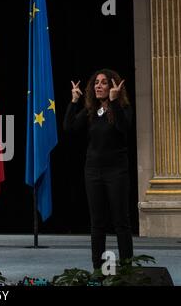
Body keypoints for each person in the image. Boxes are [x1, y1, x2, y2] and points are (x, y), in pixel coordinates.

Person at [63, 69, 133, 270]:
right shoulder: (90, 112)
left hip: (117, 172)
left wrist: (113, 102)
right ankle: (98, 268)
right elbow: (69, 129)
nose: (98, 86)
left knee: (121, 222)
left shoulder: (123, 108)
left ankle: (127, 268)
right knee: (97, 223)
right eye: (96, 83)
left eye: (103, 83)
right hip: (93, 172)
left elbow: (123, 128)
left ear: (113, 87)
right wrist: (74, 102)